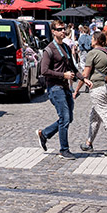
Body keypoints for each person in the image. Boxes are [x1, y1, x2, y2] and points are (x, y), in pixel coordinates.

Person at [35, 20, 90, 160]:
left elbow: (72, 67)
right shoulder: (49, 50)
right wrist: (62, 75)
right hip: (54, 88)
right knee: (64, 117)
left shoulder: (65, 47)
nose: (63, 31)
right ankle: (64, 150)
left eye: (64, 29)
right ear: (53, 31)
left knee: (68, 118)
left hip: (65, 87)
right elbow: (44, 71)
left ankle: (45, 134)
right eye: (59, 29)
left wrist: (83, 79)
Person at [73, 30, 107, 157]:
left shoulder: (93, 53)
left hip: (98, 88)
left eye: (92, 38)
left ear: (96, 40)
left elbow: (85, 75)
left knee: (106, 118)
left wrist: (77, 90)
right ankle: (88, 143)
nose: (90, 40)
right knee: (94, 116)